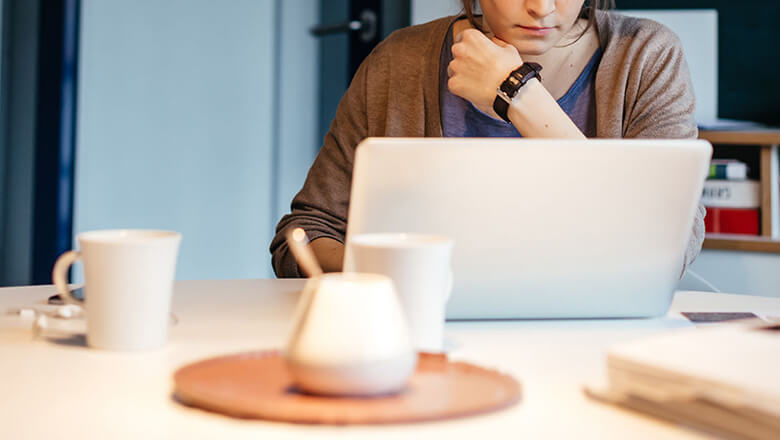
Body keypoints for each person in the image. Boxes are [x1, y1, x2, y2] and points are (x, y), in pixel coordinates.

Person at [270, 0, 705, 277]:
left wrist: (518, 93)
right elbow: (308, 230)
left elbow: (669, 242)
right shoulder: (398, 61)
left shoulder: (646, 55)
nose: (542, 8)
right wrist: (395, 276)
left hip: (598, 337)